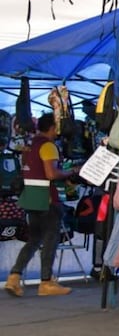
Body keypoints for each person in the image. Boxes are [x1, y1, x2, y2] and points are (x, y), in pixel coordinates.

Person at [4, 113, 77, 297]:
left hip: (31, 198)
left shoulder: (29, 145)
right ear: (52, 127)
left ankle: (14, 277)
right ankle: (46, 282)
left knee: (34, 240)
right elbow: (52, 174)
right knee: (51, 240)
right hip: (47, 199)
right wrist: (71, 172)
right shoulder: (48, 146)